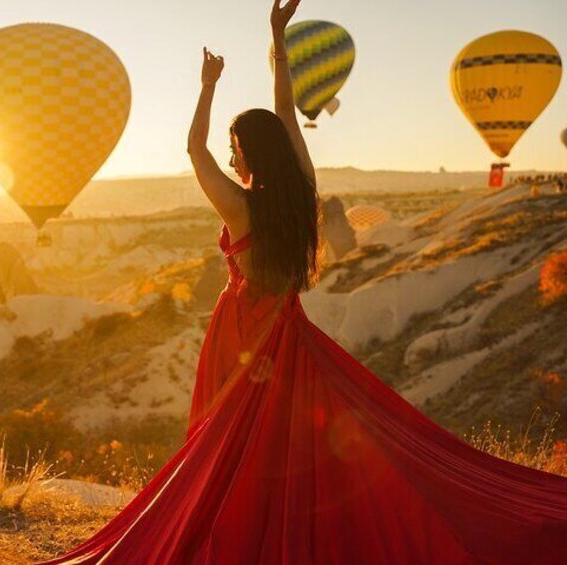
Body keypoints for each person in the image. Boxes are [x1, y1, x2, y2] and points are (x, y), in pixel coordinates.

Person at [36, 2, 567, 563]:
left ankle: (231, 531)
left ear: (247, 152)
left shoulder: (241, 208)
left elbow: (195, 149)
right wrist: (277, 41)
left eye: (236, 148)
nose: (231, 155)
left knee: (228, 449)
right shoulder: (301, 192)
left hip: (240, 336)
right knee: (297, 446)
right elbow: (288, 111)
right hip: (290, 335)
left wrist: (206, 86)